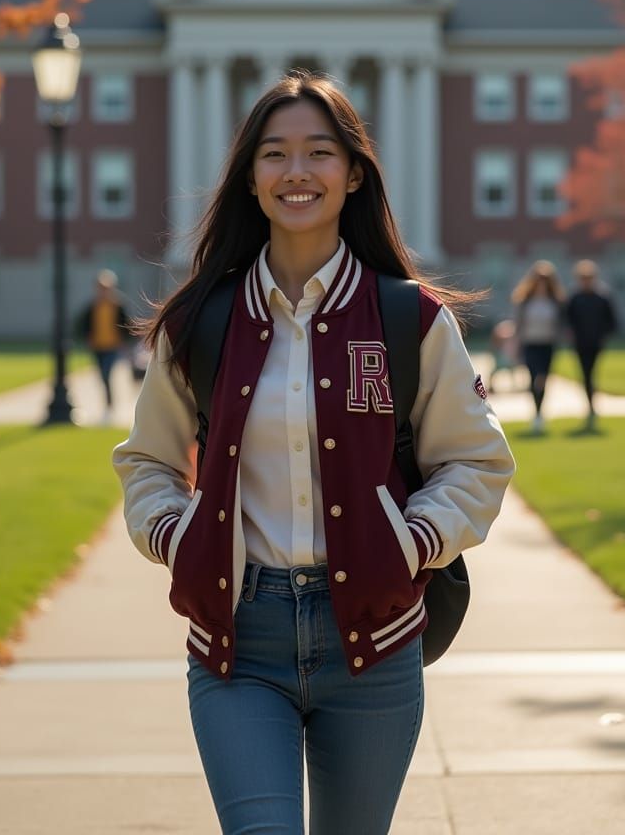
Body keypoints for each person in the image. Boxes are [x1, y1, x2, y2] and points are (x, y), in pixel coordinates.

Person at [113, 73, 515, 835]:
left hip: (373, 643)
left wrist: (412, 540)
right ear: (252, 179)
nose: (296, 172)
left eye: (318, 153)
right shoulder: (199, 322)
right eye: (275, 155)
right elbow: (148, 462)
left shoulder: (411, 319)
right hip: (238, 642)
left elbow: (477, 462)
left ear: (353, 172)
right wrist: (179, 536)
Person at [512, 260, 565, 434]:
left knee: (542, 379)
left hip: (547, 345)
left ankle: (540, 413)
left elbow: (560, 324)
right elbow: (518, 325)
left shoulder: (554, 302)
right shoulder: (525, 301)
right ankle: (536, 414)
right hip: (530, 344)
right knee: (533, 378)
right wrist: (515, 344)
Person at [566, 259, 618, 428]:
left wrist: (603, 335)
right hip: (580, 343)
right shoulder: (575, 298)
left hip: (596, 343)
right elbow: (568, 320)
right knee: (585, 374)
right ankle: (590, 405)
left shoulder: (602, 297)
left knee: (591, 373)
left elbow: (612, 322)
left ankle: (591, 405)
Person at [78, 269, 132, 421]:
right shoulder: (93, 306)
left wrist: (124, 342)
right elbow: (85, 325)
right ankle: (107, 401)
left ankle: (110, 404)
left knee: (107, 373)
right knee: (102, 375)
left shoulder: (118, 305)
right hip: (97, 346)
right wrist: (88, 338)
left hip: (112, 346)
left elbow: (126, 325)